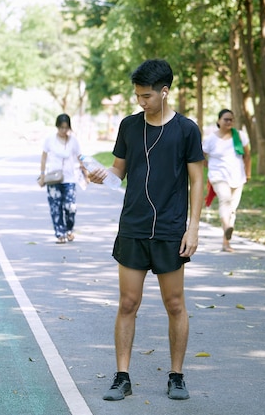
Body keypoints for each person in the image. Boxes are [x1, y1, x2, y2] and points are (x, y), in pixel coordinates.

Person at [87, 59, 204, 401]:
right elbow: (118, 173)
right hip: (133, 227)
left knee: (175, 304)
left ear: (165, 92)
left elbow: (197, 180)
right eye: (138, 95)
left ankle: (177, 376)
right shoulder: (128, 126)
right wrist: (99, 176)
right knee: (127, 303)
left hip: (170, 230)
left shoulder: (187, 130)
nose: (141, 101)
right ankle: (122, 377)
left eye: (147, 96)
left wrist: (192, 228)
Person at [203, 109, 251, 252]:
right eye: (226, 119)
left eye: (231, 119)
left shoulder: (240, 136)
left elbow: (247, 156)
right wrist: (210, 166)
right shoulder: (211, 139)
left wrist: (248, 174)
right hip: (218, 177)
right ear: (219, 121)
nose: (229, 122)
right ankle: (227, 227)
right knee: (225, 200)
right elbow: (201, 156)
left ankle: (226, 243)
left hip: (238, 176)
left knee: (232, 209)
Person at [38, 113, 84, 244]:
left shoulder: (73, 141)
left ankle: (69, 229)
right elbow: (44, 156)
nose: (64, 130)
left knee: (71, 207)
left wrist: (85, 173)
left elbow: (80, 156)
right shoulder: (50, 139)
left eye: (66, 127)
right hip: (53, 178)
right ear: (57, 127)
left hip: (69, 179)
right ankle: (60, 234)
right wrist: (42, 175)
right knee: (55, 207)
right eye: (61, 127)